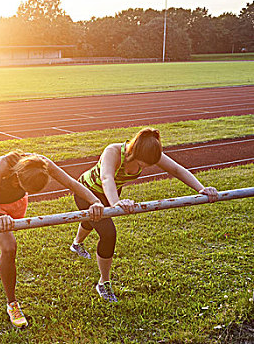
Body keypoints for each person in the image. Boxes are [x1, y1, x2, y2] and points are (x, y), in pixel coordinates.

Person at [70, 127, 218, 302]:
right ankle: (104, 282)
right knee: (108, 233)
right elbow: (107, 178)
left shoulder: (150, 152)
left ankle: (76, 244)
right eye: (141, 165)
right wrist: (116, 203)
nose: (144, 168)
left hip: (109, 193)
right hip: (86, 192)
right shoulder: (112, 151)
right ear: (133, 152)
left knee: (92, 222)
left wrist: (201, 189)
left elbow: (176, 170)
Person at [0, 150, 104, 328]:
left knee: (3, 235)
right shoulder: (5, 163)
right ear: (16, 176)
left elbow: (70, 182)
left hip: (16, 203)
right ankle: (12, 304)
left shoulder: (43, 165)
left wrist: (95, 201)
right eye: (21, 185)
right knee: (8, 247)